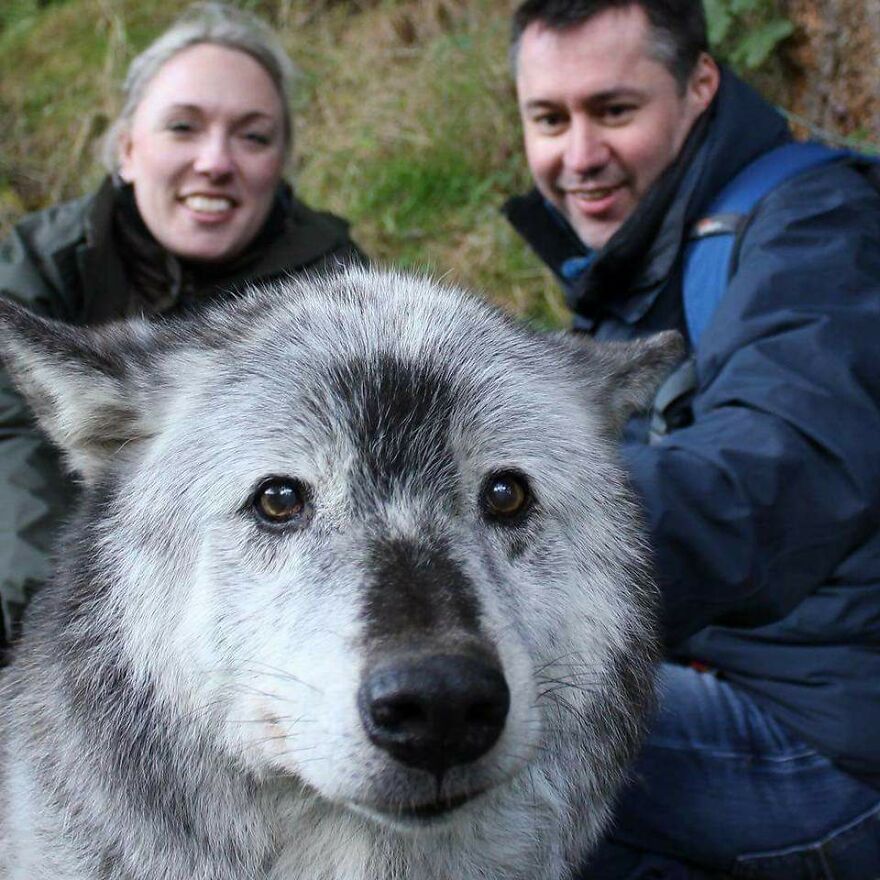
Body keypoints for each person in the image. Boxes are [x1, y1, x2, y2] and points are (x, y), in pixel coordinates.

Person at [503, 0, 880, 877]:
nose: (579, 155)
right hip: (728, 674)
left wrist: (504, 546)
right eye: (549, 119)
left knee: (464, 737)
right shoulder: (645, 258)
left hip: (830, 742)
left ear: (701, 84)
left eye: (615, 110)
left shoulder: (820, 229)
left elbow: (776, 470)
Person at [0, 2, 364, 650]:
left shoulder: (339, 291)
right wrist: (52, 635)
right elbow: (15, 460)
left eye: (253, 136)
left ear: (280, 164)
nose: (216, 161)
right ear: (128, 149)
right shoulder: (36, 274)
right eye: (183, 127)